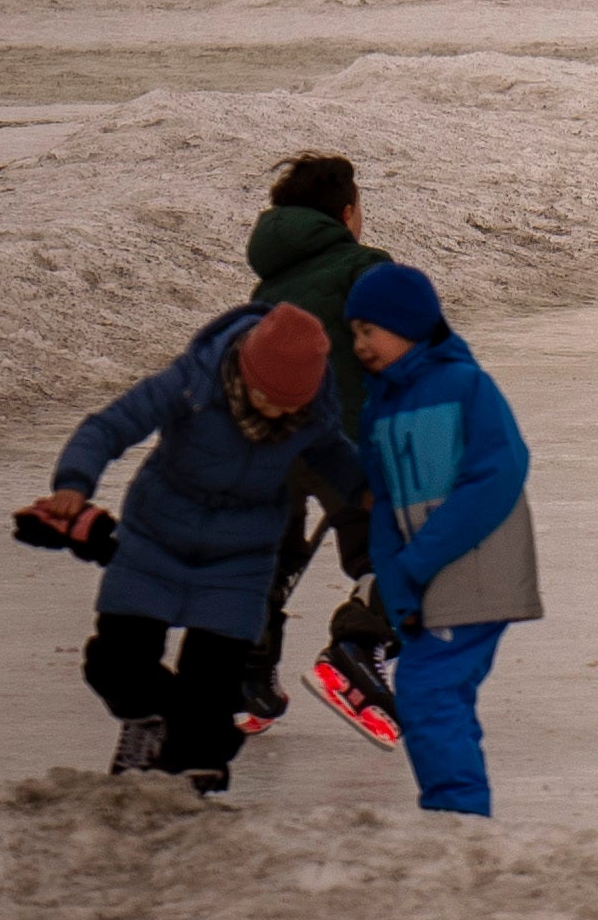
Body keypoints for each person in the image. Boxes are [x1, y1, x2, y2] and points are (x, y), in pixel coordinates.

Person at [20, 295, 363, 797]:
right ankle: (151, 722)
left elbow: (338, 459)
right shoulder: (192, 383)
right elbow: (109, 426)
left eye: (292, 406)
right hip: (157, 538)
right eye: (268, 399)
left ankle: (187, 794)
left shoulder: (311, 415)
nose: (278, 414)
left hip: (240, 560)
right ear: (244, 370)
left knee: (214, 698)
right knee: (115, 665)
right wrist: (74, 483)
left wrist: (375, 493)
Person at [332, 262, 540, 815]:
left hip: (474, 569)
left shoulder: (463, 385)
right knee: (438, 695)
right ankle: (460, 817)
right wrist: (396, 585)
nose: (359, 345)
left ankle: (458, 822)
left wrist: (418, 561)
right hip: (429, 578)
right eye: (353, 333)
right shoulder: (381, 405)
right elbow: (382, 507)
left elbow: (497, 474)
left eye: (369, 331)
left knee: (428, 693)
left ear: (410, 326)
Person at [242, 155, 386, 717]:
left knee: (272, 563)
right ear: (348, 213)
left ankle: (246, 675)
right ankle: (355, 652)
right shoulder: (364, 265)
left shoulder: (268, 284)